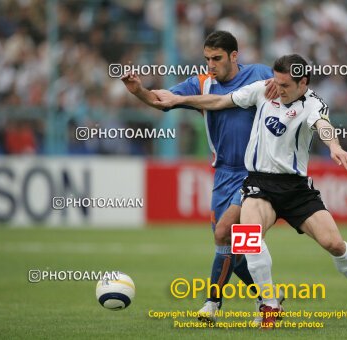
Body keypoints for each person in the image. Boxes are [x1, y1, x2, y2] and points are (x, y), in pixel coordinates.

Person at [152, 54, 347, 329]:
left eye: (285, 85)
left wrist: (335, 147)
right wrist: (178, 100)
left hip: (295, 188)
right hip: (259, 183)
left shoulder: (313, 103)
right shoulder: (263, 90)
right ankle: (269, 304)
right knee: (247, 238)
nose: (278, 88)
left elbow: (323, 126)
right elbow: (219, 101)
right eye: (276, 81)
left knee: (334, 244)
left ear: (303, 83)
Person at [121, 31, 282, 323]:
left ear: (234, 56)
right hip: (223, 175)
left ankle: (212, 303)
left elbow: (286, 91)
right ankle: (268, 298)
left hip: (254, 173)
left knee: (226, 233)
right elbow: (164, 101)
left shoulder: (259, 73)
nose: (211, 64)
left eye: (217, 58)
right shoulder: (200, 83)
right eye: (207, 58)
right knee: (231, 249)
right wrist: (139, 92)